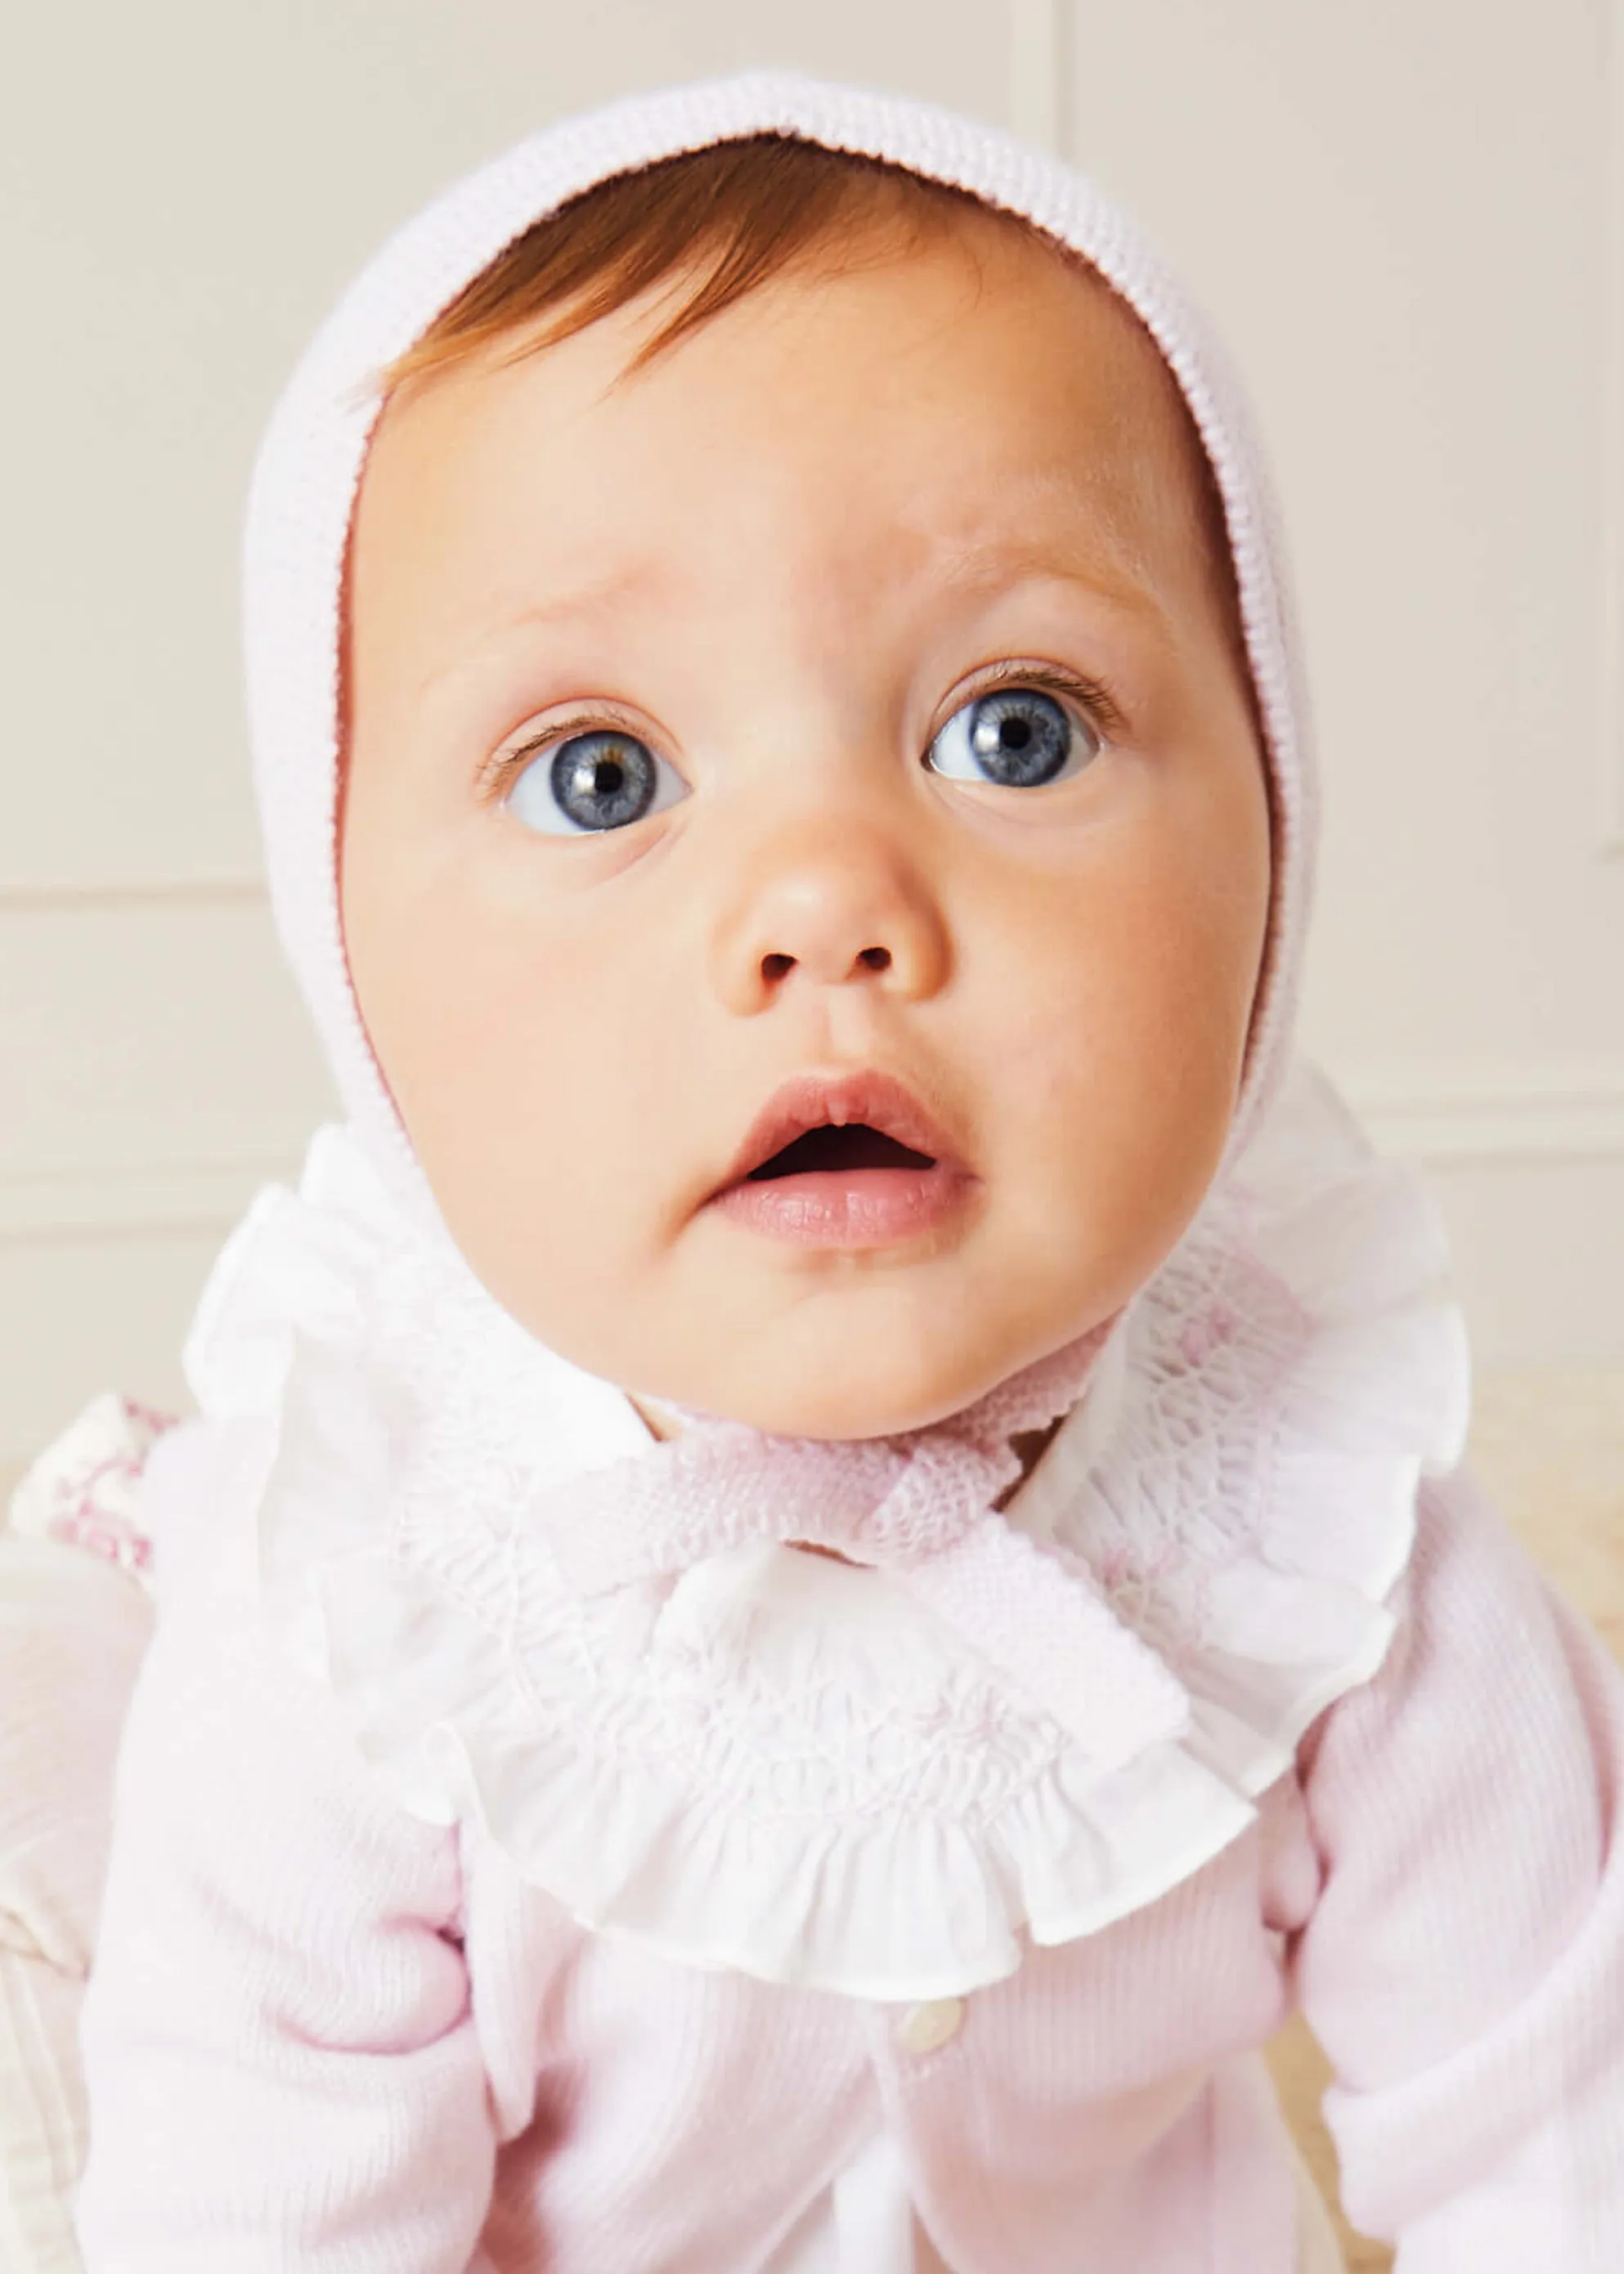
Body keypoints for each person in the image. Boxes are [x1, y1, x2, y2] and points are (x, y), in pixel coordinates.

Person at [47, 70, 1622, 2272]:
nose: (823, 906)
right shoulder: (369, 1596)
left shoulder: (1336, 1542)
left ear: (1274, 832)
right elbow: (250, 2208)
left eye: (1019, 727)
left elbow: (1553, 2126)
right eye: (603, 774)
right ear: (350, 952)